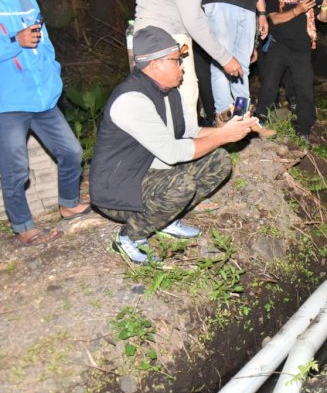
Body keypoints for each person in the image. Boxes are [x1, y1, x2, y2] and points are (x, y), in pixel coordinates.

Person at [89, 27, 259, 264]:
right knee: (181, 185)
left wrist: (230, 130)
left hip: (147, 171)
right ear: (155, 64)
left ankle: (164, 219)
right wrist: (224, 136)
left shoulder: (169, 92)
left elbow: (190, 132)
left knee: (219, 160)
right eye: (177, 61)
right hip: (117, 188)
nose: (182, 67)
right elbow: (172, 151)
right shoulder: (132, 99)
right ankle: (129, 237)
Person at [0, 0, 90, 246]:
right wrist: (14, 43)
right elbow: (21, 40)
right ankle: (24, 226)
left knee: (71, 151)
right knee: (15, 169)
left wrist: (53, 72)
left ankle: (67, 204)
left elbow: (42, 36)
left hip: (41, 94)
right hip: (7, 101)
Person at [134, 0, 244, 133]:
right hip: (166, 38)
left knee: (158, 104)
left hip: (149, 36)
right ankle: (185, 156)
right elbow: (193, 19)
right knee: (184, 98)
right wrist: (225, 58)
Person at [199, 0, 274, 139]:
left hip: (247, 6)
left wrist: (262, 12)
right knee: (223, 60)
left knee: (242, 64)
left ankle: (243, 118)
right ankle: (223, 116)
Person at [255, 0, 327, 143]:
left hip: (302, 49)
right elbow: (274, 19)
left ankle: (304, 127)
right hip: (278, 48)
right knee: (269, 86)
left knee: (304, 90)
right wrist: (298, 10)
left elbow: (322, 19)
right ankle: (260, 121)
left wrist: (326, 8)